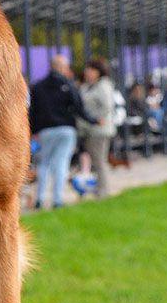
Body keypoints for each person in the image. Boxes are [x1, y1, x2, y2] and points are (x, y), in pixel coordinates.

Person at [28, 55, 95, 209]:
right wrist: (93, 121)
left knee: (44, 164)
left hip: (45, 130)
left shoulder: (38, 86)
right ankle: (57, 199)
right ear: (62, 67)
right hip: (66, 129)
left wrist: (33, 130)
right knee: (61, 163)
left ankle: (40, 198)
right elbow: (79, 107)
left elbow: (32, 111)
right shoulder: (68, 84)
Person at [77, 58, 117, 198]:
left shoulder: (103, 86)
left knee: (99, 161)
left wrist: (95, 119)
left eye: (91, 69)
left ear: (98, 71)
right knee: (97, 161)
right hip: (89, 130)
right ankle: (101, 188)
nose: (87, 72)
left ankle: (103, 191)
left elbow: (107, 106)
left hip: (99, 130)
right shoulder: (88, 86)